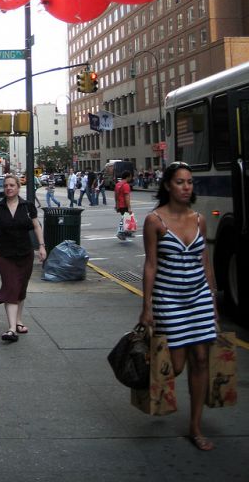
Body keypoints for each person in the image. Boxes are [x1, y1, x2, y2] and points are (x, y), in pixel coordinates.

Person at [139, 161, 217, 451]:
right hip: (168, 298)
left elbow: (205, 262)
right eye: (181, 182)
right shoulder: (154, 221)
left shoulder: (199, 220)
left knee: (201, 359)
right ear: (168, 186)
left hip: (199, 297)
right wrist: (146, 306)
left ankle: (195, 427)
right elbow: (150, 264)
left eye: (190, 182)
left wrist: (213, 297)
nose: (187, 188)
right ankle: (148, 390)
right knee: (177, 364)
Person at [0, 174, 46, 342]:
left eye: (12, 185)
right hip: (4, 254)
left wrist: (41, 246)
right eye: (6, 186)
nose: (8, 188)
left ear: (18, 187)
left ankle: (18, 321)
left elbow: (36, 226)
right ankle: (12, 329)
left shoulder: (28, 206)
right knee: (11, 286)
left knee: (20, 288)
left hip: (25, 253)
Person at [114, 170, 133, 240]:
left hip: (119, 205)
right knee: (125, 219)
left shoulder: (117, 184)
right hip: (124, 205)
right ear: (127, 177)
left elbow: (115, 196)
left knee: (125, 218)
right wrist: (129, 208)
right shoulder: (126, 185)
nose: (131, 178)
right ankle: (121, 232)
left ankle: (127, 232)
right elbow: (127, 197)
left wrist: (116, 205)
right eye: (130, 177)